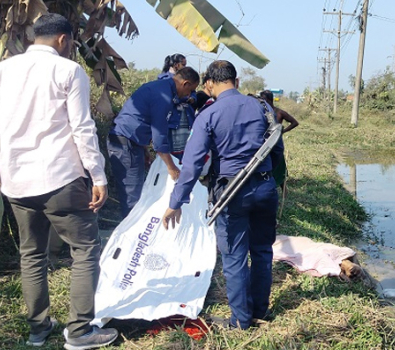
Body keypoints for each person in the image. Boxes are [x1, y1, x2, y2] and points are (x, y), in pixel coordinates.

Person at [0, 14, 118, 349]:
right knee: (84, 250)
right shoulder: (68, 71)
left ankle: (38, 329)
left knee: (32, 255)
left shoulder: (3, 70)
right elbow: (82, 128)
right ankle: (80, 332)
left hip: (17, 180)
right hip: (60, 178)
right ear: (64, 40)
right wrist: (98, 175)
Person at [162, 60, 283, 330]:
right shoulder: (263, 107)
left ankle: (241, 320)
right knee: (262, 251)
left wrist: (175, 202)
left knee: (235, 257)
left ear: (209, 85)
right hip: (264, 188)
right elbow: (277, 150)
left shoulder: (208, 114)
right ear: (237, 82)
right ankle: (260, 311)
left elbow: (192, 165)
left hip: (230, 194)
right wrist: (264, 176)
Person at [108, 66, 199, 217]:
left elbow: (142, 121)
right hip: (125, 143)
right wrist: (171, 167)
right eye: (190, 90)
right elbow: (159, 134)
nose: (188, 95)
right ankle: (131, 236)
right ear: (185, 84)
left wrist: (144, 150)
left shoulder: (161, 87)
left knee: (135, 192)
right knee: (132, 196)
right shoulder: (163, 96)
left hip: (131, 142)